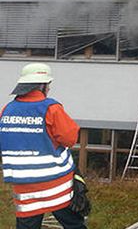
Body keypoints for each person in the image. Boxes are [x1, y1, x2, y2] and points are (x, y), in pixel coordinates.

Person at [0, 63, 86, 229]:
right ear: (42, 86)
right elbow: (70, 138)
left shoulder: (6, 111)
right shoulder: (51, 108)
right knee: (73, 224)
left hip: (25, 188)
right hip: (56, 185)